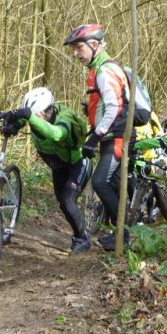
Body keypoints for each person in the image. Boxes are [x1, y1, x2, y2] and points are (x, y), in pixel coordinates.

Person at [63, 23, 133, 251]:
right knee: (112, 183)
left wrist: (94, 137)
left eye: (78, 48)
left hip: (117, 137)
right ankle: (119, 234)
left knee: (100, 181)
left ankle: (124, 235)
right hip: (110, 136)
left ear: (94, 45)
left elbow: (114, 107)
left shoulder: (105, 70)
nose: (76, 54)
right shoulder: (100, 68)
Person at [0, 87, 93, 253]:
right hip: (58, 167)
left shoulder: (64, 119)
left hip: (78, 163)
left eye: (36, 115)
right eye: (33, 115)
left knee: (68, 200)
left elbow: (56, 134)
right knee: (62, 203)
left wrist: (29, 116)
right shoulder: (37, 116)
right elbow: (23, 119)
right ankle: (78, 235)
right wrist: (12, 122)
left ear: (48, 110)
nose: (34, 119)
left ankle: (82, 238)